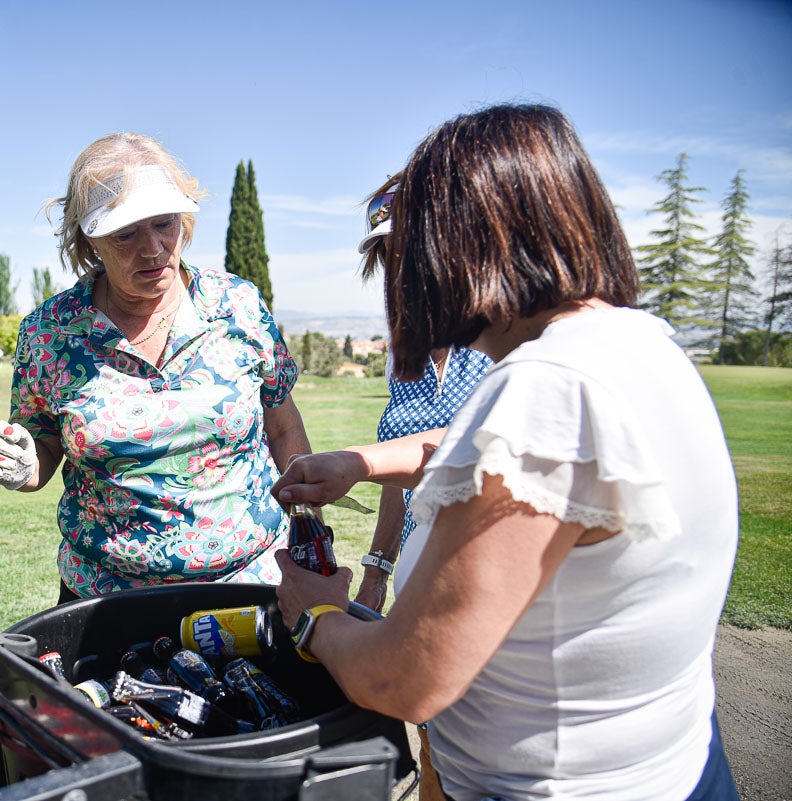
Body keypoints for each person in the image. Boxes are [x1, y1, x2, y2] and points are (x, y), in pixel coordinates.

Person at [273, 104, 739, 800]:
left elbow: (404, 677)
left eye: (415, 255)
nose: (407, 283)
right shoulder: (636, 344)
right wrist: (358, 463)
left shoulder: (544, 390)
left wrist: (316, 616)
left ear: (466, 247)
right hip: (672, 766)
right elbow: (496, 459)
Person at [0, 132, 311, 602]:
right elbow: (44, 443)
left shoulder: (238, 305)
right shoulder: (49, 333)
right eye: (126, 233)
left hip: (250, 584)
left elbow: (282, 426)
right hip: (105, 599)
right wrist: (26, 464)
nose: (153, 248)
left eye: (164, 223)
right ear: (89, 239)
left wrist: (310, 528)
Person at [353, 180, 491, 614]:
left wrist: (355, 464)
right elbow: (404, 458)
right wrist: (377, 571)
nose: (406, 277)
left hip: (487, 585)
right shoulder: (405, 346)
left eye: (418, 254)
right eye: (392, 259)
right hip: (418, 584)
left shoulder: (507, 341)